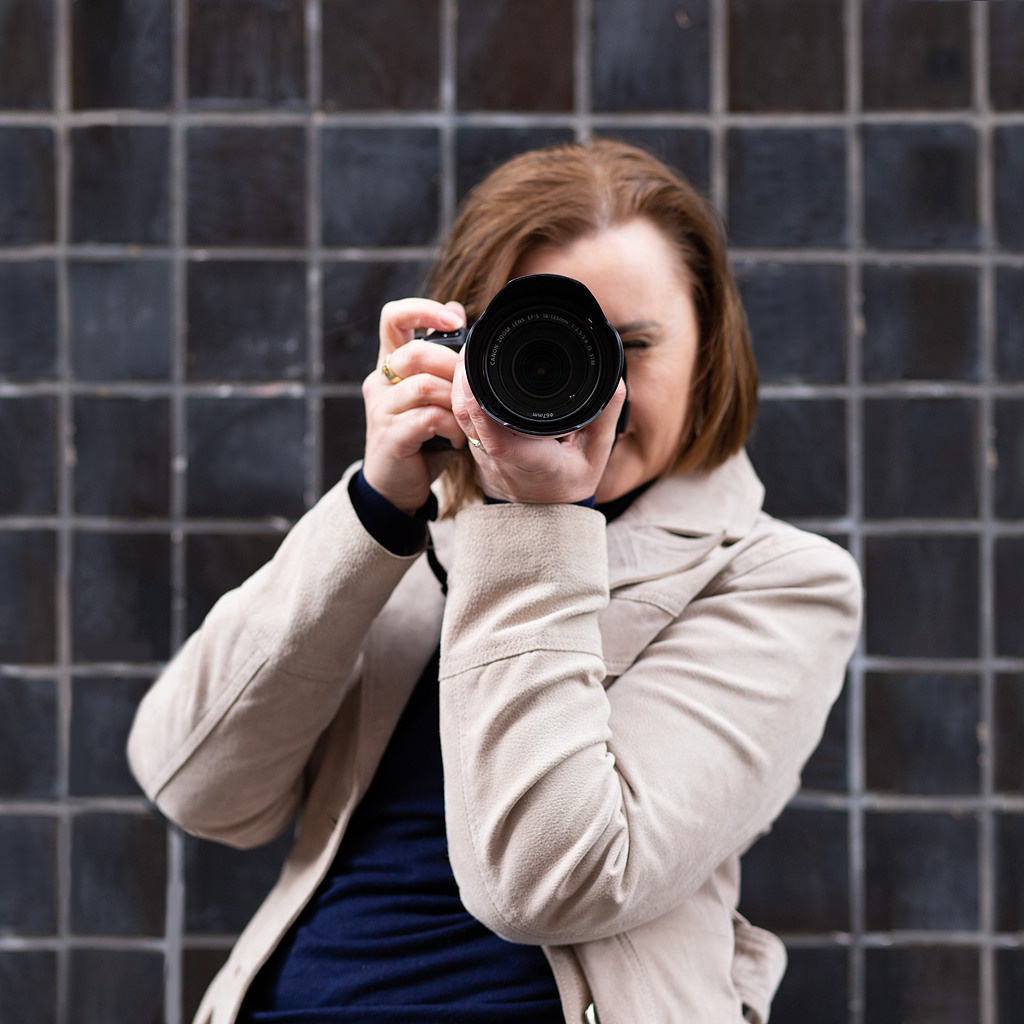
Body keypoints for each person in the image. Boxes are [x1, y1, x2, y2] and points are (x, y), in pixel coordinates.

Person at [128, 139, 862, 1024]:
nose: (596, 388)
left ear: (710, 355)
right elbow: (196, 787)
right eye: (541, 352)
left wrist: (538, 526)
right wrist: (376, 503)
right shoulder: (406, 542)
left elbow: (548, 886)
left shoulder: (777, 582)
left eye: (629, 346)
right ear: (462, 349)